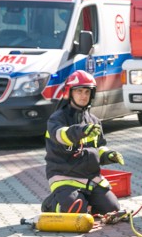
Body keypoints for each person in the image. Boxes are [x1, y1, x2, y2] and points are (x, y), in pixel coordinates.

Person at [42, 70, 125, 215]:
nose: (83, 96)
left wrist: (108, 155)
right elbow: (61, 135)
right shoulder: (57, 118)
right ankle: (50, 204)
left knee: (112, 209)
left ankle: (85, 202)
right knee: (76, 209)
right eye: (79, 91)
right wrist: (82, 131)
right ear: (70, 93)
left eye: (87, 92)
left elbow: (98, 147)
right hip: (65, 177)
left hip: (89, 178)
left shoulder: (94, 120)